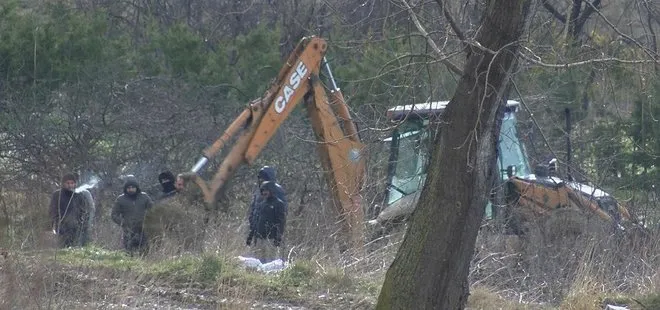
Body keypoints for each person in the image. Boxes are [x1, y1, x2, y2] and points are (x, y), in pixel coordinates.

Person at [111, 176, 154, 256]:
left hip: (143, 228)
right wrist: (123, 223)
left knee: (144, 251)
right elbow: (114, 215)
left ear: (136, 188)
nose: (130, 190)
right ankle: (129, 267)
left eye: (133, 187)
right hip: (128, 230)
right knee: (129, 252)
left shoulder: (144, 197)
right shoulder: (120, 199)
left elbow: (152, 209)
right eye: (128, 188)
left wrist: (149, 221)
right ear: (125, 188)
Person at [246, 181, 287, 263]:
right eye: (263, 190)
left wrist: (278, 237)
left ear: (271, 191)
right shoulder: (261, 204)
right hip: (259, 238)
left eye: (266, 190)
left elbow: (281, 222)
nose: (264, 192)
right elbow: (256, 221)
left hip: (271, 239)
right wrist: (250, 236)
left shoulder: (278, 204)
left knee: (270, 262)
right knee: (258, 262)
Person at [49, 173, 91, 248]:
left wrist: (83, 223)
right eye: (67, 183)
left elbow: (85, 210)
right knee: (62, 248)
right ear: (63, 184)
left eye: (72, 183)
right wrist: (57, 222)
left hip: (76, 227)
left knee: (77, 248)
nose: (70, 185)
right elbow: (52, 210)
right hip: (62, 227)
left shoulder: (79, 195)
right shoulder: (57, 195)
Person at [247, 166, 287, 231]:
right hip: (256, 229)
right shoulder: (258, 190)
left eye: (263, 177)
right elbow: (253, 208)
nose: (261, 179)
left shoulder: (278, 190)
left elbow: (283, 211)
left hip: (271, 231)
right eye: (259, 177)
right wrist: (251, 222)